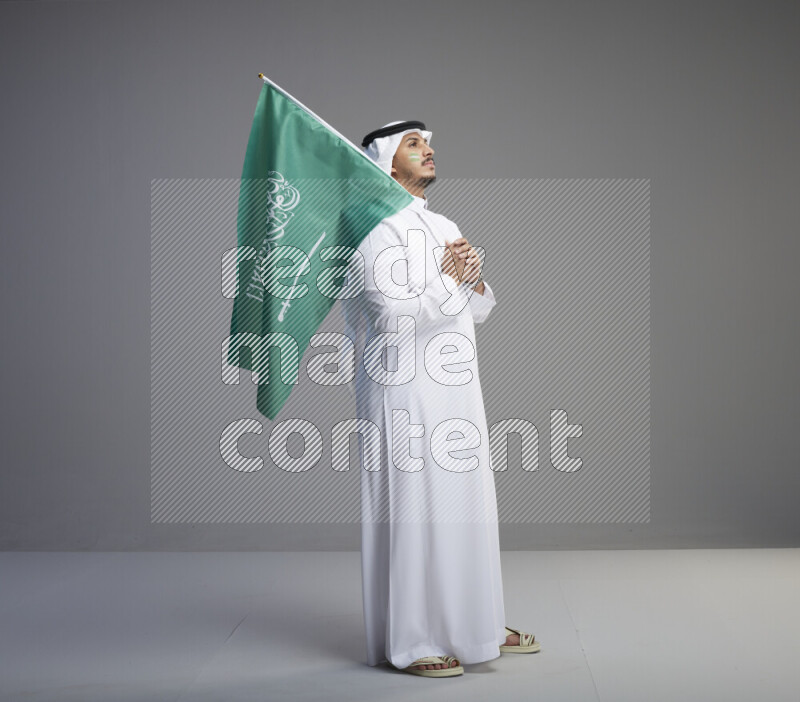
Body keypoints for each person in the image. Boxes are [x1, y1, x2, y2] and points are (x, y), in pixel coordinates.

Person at [342, 121, 539, 677]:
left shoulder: (443, 223)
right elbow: (392, 317)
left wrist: (474, 280)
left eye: (428, 143)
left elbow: (471, 309)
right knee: (415, 511)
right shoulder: (370, 229)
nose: (428, 151)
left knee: (464, 508)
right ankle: (414, 640)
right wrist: (452, 280)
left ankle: (474, 623)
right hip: (402, 391)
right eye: (413, 144)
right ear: (384, 162)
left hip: (455, 391)